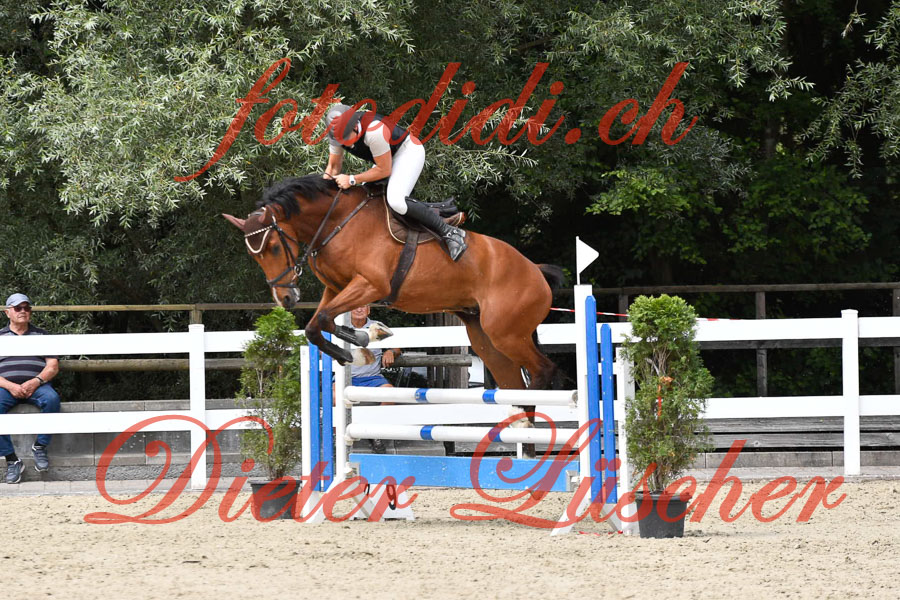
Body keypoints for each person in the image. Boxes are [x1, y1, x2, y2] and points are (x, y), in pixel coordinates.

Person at [322, 103, 468, 261]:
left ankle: (450, 232)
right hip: (386, 158)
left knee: (396, 201)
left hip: (407, 152)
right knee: (365, 201)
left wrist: (352, 179)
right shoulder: (337, 133)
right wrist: (322, 193)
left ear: (355, 127)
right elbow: (333, 167)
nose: (344, 143)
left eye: (345, 138)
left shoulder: (374, 131)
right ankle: (436, 210)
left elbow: (384, 170)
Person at [0, 293, 61, 484]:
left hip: (38, 385)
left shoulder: (42, 335)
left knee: (52, 399)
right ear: (7, 312)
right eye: (18, 308)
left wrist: (35, 381)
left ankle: (40, 446)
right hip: (5, 386)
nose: (23, 311)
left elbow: (53, 366)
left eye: (26, 308)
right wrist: (10, 385)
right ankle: (12, 460)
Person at [349, 305, 401, 454]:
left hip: (372, 378)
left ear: (369, 310)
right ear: (348, 309)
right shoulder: (341, 326)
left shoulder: (376, 327)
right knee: (333, 395)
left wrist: (390, 351)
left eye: (363, 306)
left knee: (390, 393)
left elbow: (397, 347)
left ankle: (376, 434)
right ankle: (337, 437)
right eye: (355, 306)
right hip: (346, 377)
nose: (359, 309)